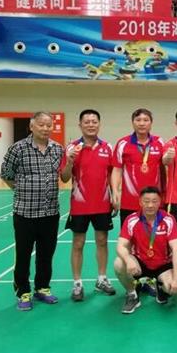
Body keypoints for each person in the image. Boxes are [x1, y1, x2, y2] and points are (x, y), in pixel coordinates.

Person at [0, 111, 64, 311]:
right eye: (41, 125)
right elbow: (6, 174)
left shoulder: (57, 149)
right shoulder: (18, 148)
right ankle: (23, 291)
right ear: (32, 126)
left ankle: (42, 288)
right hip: (25, 213)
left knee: (46, 254)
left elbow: (63, 175)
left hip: (50, 212)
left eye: (48, 125)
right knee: (23, 254)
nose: (45, 128)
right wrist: (21, 190)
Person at [60, 109, 116, 302]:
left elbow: (112, 174)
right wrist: (70, 161)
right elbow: (64, 177)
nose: (91, 125)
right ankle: (77, 283)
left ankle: (102, 279)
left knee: (102, 240)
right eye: (87, 122)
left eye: (94, 121)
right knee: (78, 243)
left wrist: (115, 196)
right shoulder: (71, 148)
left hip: (102, 203)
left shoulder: (107, 147)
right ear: (80, 125)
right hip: (80, 205)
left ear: (99, 124)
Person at [114, 187, 177, 314]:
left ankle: (161, 288)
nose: (150, 205)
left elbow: (176, 249)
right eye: (146, 201)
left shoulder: (168, 219)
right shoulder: (131, 219)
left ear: (160, 202)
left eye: (154, 201)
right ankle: (132, 294)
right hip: (140, 263)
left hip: (163, 264)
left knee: (174, 289)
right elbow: (120, 246)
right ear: (140, 202)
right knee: (119, 263)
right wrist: (128, 260)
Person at [111, 108, 165, 228]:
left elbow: (164, 169)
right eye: (138, 120)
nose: (142, 123)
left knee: (155, 236)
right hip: (129, 202)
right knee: (129, 236)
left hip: (154, 202)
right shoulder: (123, 143)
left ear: (151, 123)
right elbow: (117, 169)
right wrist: (115, 191)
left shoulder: (159, 142)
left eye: (145, 120)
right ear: (133, 122)